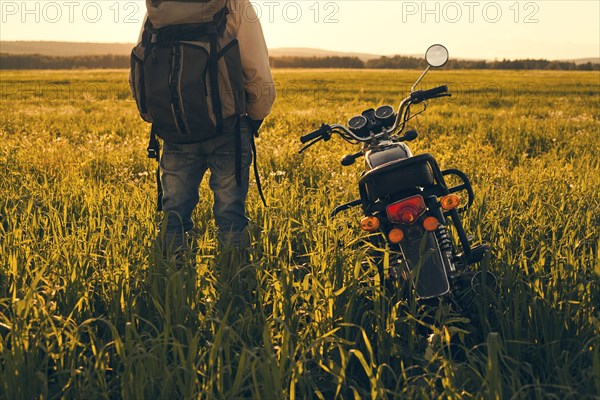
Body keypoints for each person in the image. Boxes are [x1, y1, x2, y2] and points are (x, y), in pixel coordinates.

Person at [138, 0, 276, 256]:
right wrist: (255, 116)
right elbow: (256, 69)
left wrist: (157, 117)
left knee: (174, 212)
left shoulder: (159, 6)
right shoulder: (234, 4)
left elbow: (142, 63)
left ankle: (171, 278)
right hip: (227, 127)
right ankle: (234, 282)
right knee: (230, 215)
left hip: (174, 127)